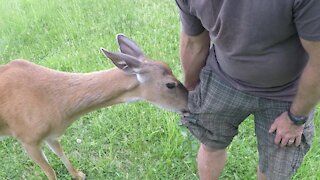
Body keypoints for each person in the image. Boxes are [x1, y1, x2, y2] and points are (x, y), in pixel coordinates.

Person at [175, 0, 320, 179]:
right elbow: (193, 42)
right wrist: (190, 90)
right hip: (223, 77)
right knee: (210, 142)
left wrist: (296, 117)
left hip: (287, 92)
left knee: (276, 169)